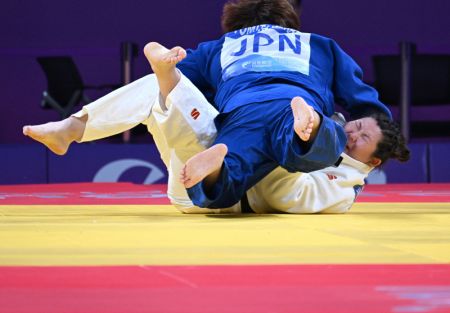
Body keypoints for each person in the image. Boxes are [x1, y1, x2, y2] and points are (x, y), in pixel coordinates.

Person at [22, 51, 410, 215]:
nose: (352, 134)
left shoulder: (344, 188)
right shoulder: (336, 126)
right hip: (199, 163)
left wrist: (298, 142)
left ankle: (226, 160)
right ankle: (70, 128)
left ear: (372, 162)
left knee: (281, 153)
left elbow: (282, 197)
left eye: (360, 140)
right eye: (356, 125)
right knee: (163, 91)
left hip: (217, 198)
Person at [154, 0, 394, 209]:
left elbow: (180, 76)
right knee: (320, 145)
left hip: (241, 111)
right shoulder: (320, 45)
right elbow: (363, 101)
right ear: (290, 23)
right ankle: (312, 126)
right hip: (295, 101)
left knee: (230, 178)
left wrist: (171, 74)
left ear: (234, 24)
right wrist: (385, 135)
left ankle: (217, 170)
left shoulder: (221, 45)